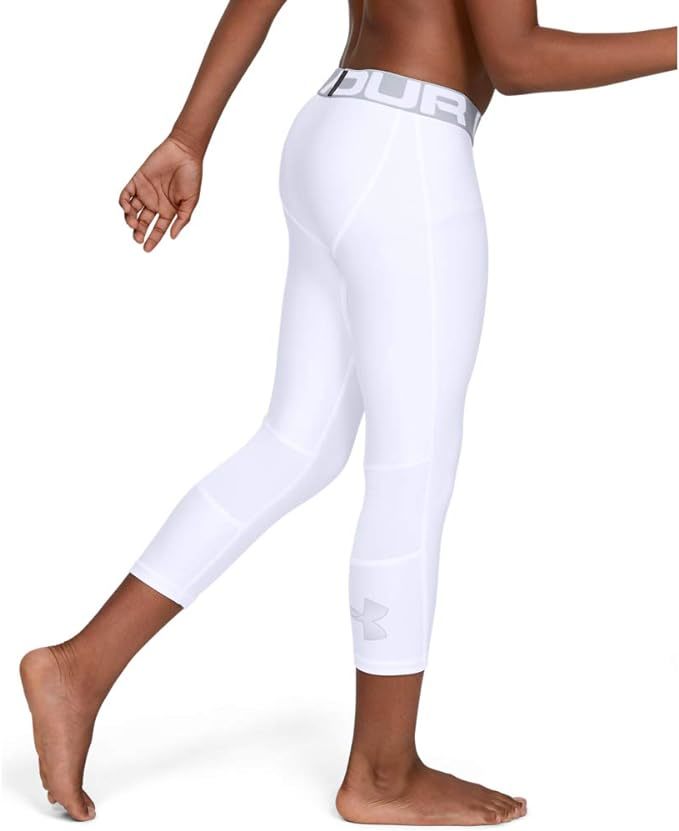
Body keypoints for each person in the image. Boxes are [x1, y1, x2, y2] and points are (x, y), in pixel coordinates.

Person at [20, 0, 676, 825]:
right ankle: (382, 774)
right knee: (411, 469)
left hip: (334, 134)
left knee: (296, 445)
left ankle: (78, 668)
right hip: (408, 155)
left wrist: (188, 137)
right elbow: (518, 60)